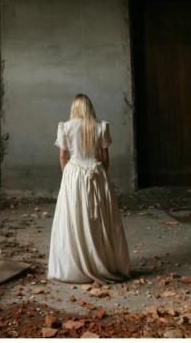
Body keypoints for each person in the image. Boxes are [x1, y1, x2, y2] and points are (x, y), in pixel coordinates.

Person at [47, 94, 131, 283]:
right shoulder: (101, 126)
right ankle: (102, 263)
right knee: (99, 219)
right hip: (97, 173)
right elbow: (105, 157)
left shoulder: (66, 127)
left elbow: (63, 156)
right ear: (89, 107)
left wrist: (67, 174)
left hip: (74, 173)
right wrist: (102, 175)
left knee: (74, 216)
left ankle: (75, 267)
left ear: (74, 107)